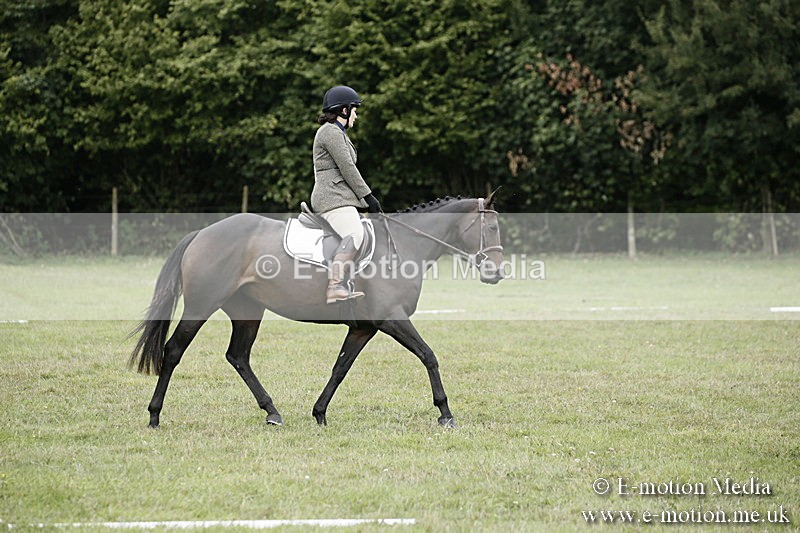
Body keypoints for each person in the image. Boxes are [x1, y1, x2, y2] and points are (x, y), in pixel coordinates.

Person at [311, 85, 382, 303]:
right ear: (344, 110)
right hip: (331, 198)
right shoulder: (330, 132)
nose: (356, 115)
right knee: (355, 233)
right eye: (355, 109)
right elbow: (347, 167)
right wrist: (368, 196)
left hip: (339, 197)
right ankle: (335, 286)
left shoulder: (337, 133)